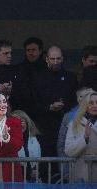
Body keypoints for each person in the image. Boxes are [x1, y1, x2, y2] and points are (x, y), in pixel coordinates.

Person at [31, 46, 77, 183]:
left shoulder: (71, 77)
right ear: (46, 59)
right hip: (45, 128)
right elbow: (33, 103)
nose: (55, 62)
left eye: (58, 58)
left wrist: (64, 107)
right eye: (52, 59)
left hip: (67, 127)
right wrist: (49, 107)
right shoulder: (38, 78)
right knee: (47, 166)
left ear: (62, 59)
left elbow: (76, 101)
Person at [65, 91, 97, 182]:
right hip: (81, 175)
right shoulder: (74, 124)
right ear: (85, 105)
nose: (95, 105)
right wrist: (85, 138)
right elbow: (68, 150)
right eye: (91, 103)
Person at [10, 110, 41, 182]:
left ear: (27, 123)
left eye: (22, 121)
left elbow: (43, 160)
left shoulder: (36, 138)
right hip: (16, 181)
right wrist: (29, 173)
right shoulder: (8, 141)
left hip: (35, 181)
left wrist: (37, 171)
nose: (19, 125)